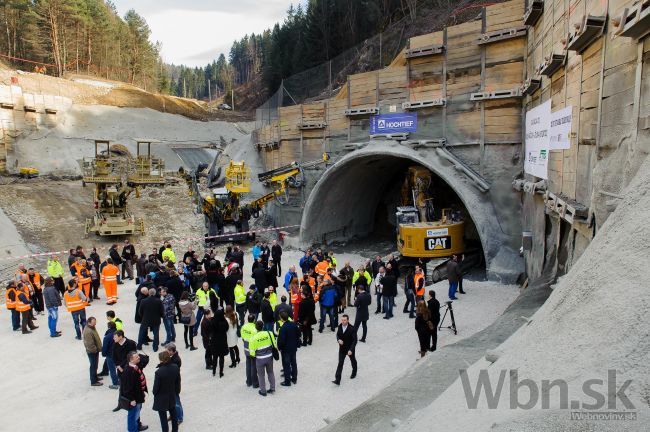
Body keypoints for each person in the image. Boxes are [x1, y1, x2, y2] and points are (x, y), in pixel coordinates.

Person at [153, 351, 181, 432]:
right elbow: (178, 381)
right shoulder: (175, 367)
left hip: (161, 398)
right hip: (171, 394)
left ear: (161, 360)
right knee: (174, 414)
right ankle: (175, 430)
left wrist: (154, 393)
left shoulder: (159, 372)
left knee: (163, 418)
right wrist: (177, 391)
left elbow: (156, 388)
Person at [120, 351, 148, 432]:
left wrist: (142, 392)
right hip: (134, 399)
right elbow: (127, 388)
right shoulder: (129, 372)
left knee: (136, 414)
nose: (139, 357)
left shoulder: (135, 366)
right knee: (133, 416)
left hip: (139, 395)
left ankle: (136, 428)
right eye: (137, 357)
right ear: (131, 360)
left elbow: (145, 359)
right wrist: (132, 399)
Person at [249, 320, 277, 396]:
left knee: (261, 375)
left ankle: (263, 391)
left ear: (256, 328)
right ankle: (272, 388)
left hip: (260, 359)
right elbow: (274, 344)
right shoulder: (269, 333)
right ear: (263, 326)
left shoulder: (253, 339)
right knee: (270, 372)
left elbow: (252, 353)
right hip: (269, 357)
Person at [333, 314, 357, 385]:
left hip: (349, 349)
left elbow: (354, 340)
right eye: (342, 320)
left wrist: (351, 350)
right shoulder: (340, 326)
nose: (343, 321)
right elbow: (337, 335)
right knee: (340, 363)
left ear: (348, 320)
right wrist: (338, 340)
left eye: (344, 320)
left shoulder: (352, 328)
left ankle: (354, 371)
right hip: (342, 349)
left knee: (353, 360)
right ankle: (337, 379)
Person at [277, 311, 299, 387]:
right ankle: (294, 378)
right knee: (293, 363)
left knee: (286, 365)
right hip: (293, 348)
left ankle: (287, 381)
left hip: (286, 350)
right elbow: (298, 334)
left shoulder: (283, 328)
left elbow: (281, 341)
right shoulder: (293, 324)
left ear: (282, 319)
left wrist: (279, 348)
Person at [165, 344, 184, 425]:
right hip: (170, 384)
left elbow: (172, 372)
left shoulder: (176, 360)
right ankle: (172, 415)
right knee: (171, 402)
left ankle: (179, 417)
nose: (166, 353)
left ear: (172, 351)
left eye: (167, 351)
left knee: (176, 402)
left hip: (174, 385)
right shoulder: (172, 357)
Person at [83, 316, 103, 386]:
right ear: (89, 322)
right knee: (93, 366)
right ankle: (93, 381)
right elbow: (90, 344)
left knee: (95, 365)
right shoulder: (88, 331)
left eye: (95, 322)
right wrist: (95, 350)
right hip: (92, 352)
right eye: (93, 323)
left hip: (95, 351)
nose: (95, 324)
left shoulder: (92, 327)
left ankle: (95, 377)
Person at [240, 314, 259, 388]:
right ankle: (255, 383)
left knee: (248, 365)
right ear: (254, 320)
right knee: (254, 365)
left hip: (246, 348)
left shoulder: (243, 327)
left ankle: (248, 381)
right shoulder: (255, 328)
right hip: (253, 349)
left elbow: (242, 337)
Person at [210, 309, 230, 378]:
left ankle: (214, 371)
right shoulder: (224, 322)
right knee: (221, 358)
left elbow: (210, 330)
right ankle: (221, 372)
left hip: (214, 342)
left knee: (214, 357)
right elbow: (227, 328)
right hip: (222, 342)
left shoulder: (212, 321)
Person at [102, 321, 120, 389]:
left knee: (112, 369)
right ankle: (121, 380)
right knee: (119, 368)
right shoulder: (119, 334)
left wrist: (104, 354)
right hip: (119, 354)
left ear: (109, 327)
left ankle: (115, 383)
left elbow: (105, 347)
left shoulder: (107, 337)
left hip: (110, 355)